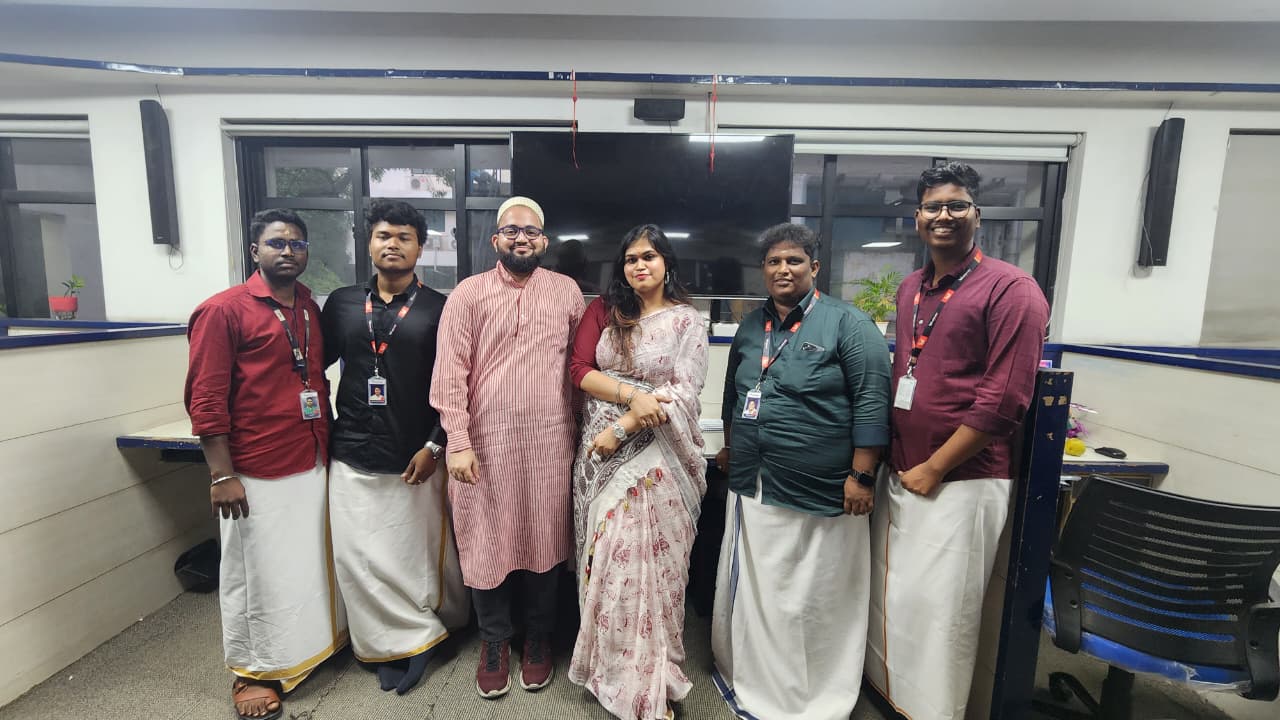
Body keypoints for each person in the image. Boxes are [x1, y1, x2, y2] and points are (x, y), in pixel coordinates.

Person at [865, 162, 1050, 720]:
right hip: (904, 470)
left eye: (956, 205)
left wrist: (936, 467)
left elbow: (1004, 400)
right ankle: (891, 701)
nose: (943, 215)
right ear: (917, 217)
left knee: (944, 612)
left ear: (977, 214)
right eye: (932, 206)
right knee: (897, 599)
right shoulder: (910, 288)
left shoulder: (1012, 289)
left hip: (962, 478)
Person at [711, 223, 891, 720]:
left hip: (820, 486)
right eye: (773, 262)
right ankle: (753, 675)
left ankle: (809, 695)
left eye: (793, 260)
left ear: (814, 267)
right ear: (763, 270)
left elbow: (872, 403)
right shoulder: (752, 325)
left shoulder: (849, 324)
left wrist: (862, 476)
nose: (783, 269)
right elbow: (733, 394)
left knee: (808, 595)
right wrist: (731, 448)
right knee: (763, 590)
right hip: (754, 481)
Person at [184, 209, 346, 720]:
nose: (288, 251)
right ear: (255, 251)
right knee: (252, 572)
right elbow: (206, 399)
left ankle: (304, 650)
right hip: (253, 464)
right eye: (277, 243)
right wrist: (221, 474)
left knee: (300, 563)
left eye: (297, 244)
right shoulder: (222, 311)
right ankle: (251, 672)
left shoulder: (308, 307)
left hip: (311, 451)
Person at [429, 196, 585, 698]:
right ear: (496, 239)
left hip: (550, 443)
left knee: (546, 539)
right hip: (484, 447)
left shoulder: (566, 292)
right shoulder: (468, 294)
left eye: (531, 231)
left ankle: (538, 639)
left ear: (544, 241)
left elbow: (580, 368)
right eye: (512, 230)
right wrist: (457, 442)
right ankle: (494, 640)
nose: (522, 238)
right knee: (484, 542)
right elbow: (449, 375)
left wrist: (582, 435)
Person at [321, 200, 467, 696]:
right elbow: (313, 371)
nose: (393, 245)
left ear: (419, 248)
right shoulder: (341, 304)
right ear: (369, 243)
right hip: (351, 450)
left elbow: (456, 387)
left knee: (413, 554)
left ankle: (422, 630)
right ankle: (391, 641)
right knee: (358, 555)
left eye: (405, 237)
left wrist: (435, 446)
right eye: (384, 235)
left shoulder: (440, 309)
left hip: (415, 454)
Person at [566, 225, 708, 720]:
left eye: (649, 256)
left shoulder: (688, 321)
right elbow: (580, 370)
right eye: (630, 259)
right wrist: (630, 398)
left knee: (653, 575)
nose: (639, 265)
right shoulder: (608, 312)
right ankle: (611, 673)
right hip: (601, 460)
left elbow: (685, 391)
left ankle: (651, 682)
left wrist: (624, 425)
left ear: (667, 262)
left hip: (658, 460)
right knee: (609, 566)